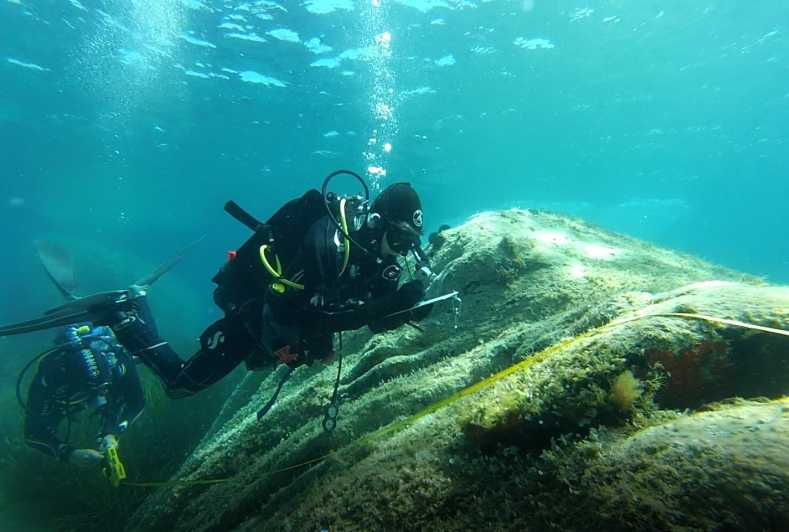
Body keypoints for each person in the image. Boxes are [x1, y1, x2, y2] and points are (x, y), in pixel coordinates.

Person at [107, 180, 433, 397]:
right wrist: (389, 305)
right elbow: (305, 313)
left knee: (259, 360)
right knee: (180, 385)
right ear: (376, 223)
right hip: (255, 310)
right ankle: (124, 315)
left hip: (284, 324)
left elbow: (375, 319)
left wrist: (408, 307)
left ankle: (129, 341)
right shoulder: (328, 242)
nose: (400, 251)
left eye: (409, 243)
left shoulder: (376, 258)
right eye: (399, 239)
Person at [24, 325, 144, 467]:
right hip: (66, 391)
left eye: (104, 388)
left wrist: (112, 433)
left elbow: (136, 402)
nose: (100, 395)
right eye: (90, 392)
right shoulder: (49, 381)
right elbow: (33, 432)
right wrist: (69, 453)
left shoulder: (117, 361)